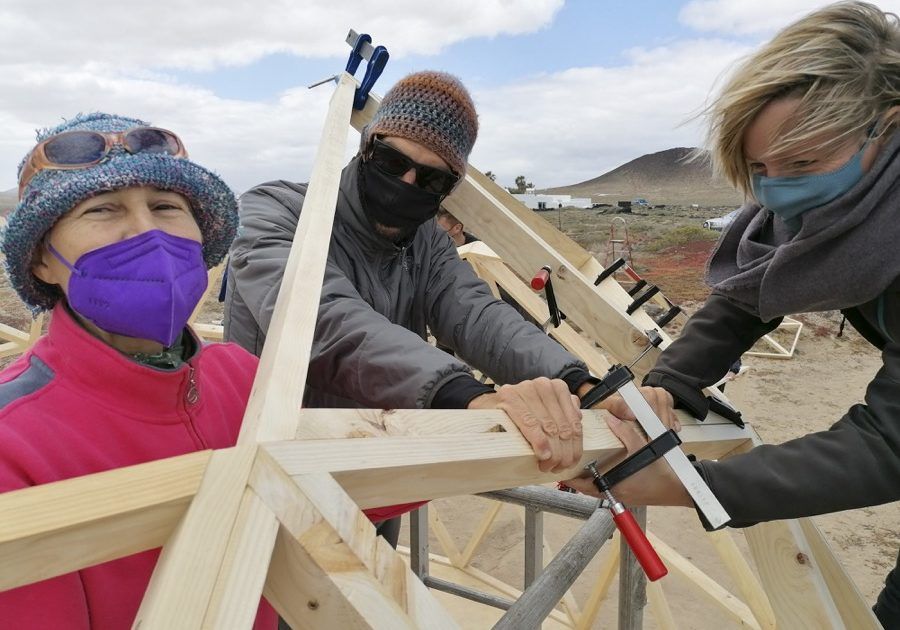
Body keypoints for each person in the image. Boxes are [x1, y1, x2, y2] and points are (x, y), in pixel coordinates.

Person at [224, 71, 676, 545]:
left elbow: (478, 316)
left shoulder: (425, 242)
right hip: (265, 475)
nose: (406, 182)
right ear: (367, 145)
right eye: (392, 161)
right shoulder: (276, 213)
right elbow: (326, 322)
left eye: (431, 178)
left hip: (371, 476)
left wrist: (585, 386)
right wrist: (465, 394)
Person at [565, 3, 900, 625]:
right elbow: (750, 294)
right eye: (759, 169)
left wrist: (696, 486)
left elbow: (891, 442)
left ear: (887, 128)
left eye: (801, 165)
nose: (777, 190)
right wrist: (670, 383)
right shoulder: (834, 205)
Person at [0, 113, 276, 629]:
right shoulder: (13, 443)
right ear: (42, 261)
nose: (147, 232)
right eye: (102, 209)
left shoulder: (243, 376)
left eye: (166, 206)